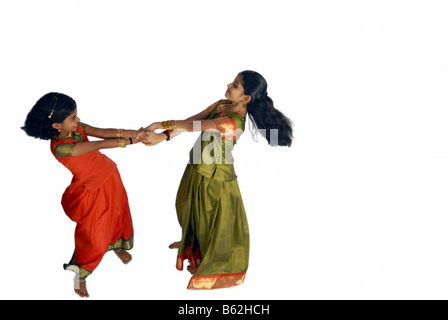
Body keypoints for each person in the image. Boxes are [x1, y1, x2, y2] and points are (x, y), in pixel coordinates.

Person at [140, 70, 293, 289]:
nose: (229, 85)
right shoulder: (222, 105)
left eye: (236, 85)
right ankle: (191, 244)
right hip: (196, 166)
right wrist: (162, 135)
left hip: (214, 176)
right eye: (233, 81)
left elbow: (194, 127)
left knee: (208, 219)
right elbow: (191, 121)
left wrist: (158, 125)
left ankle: (208, 261)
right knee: (186, 207)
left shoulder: (233, 122)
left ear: (246, 98)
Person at [22, 92, 141, 298]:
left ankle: (115, 245)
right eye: (73, 118)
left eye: (76, 116)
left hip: (111, 177)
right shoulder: (60, 148)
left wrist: (137, 133)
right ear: (56, 126)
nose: (78, 120)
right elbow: (99, 144)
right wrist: (131, 141)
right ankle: (80, 275)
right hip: (91, 190)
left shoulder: (75, 127)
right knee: (92, 234)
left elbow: (103, 133)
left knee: (118, 215)